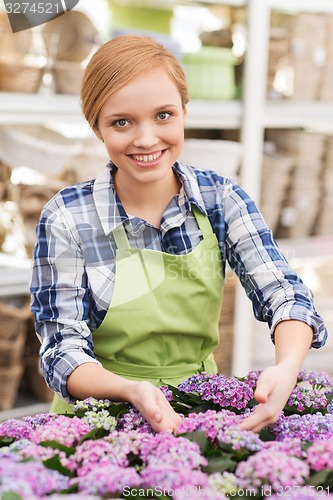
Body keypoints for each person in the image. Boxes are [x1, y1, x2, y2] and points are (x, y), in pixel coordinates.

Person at [30, 34, 328, 434]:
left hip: (195, 407)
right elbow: (61, 349)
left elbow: (285, 293)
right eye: (121, 122)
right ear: (97, 128)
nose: (146, 138)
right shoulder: (67, 216)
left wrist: (287, 367)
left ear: (185, 112)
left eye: (163, 115)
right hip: (95, 417)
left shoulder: (221, 200)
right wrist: (132, 390)